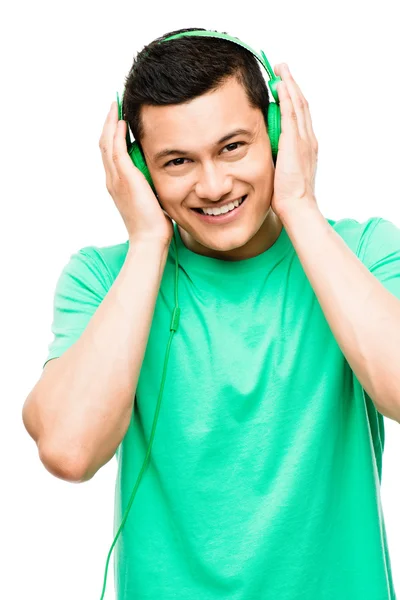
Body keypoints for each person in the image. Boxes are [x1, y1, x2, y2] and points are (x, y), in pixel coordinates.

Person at [22, 27, 400, 599]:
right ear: (140, 171)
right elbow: (70, 451)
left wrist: (298, 204)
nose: (214, 184)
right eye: (177, 161)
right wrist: (148, 241)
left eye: (233, 147)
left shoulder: (363, 251)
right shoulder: (101, 279)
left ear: (277, 133)